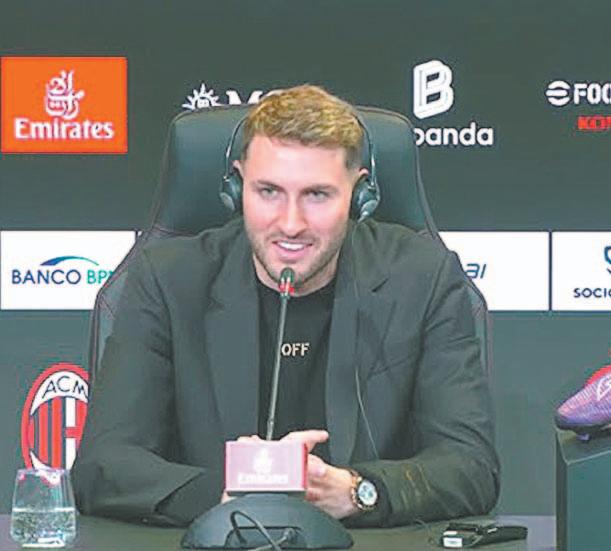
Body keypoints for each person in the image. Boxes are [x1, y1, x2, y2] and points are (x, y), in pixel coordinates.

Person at [72, 85, 500, 528]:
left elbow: (472, 466)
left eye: (317, 195)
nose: (291, 224)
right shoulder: (169, 279)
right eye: (269, 191)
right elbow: (102, 465)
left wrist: (357, 490)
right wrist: (227, 492)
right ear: (235, 187)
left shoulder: (423, 278)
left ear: (359, 196)